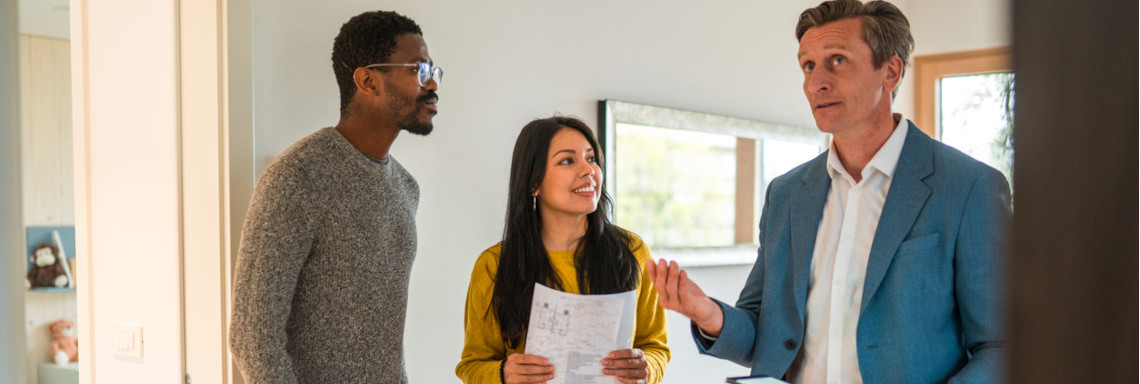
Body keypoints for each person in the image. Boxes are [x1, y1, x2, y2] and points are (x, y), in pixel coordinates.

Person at [647, 1, 1010, 383]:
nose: (816, 81)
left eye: (837, 60)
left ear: (890, 71)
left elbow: (1001, 347)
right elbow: (762, 334)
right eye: (808, 65)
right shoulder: (786, 194)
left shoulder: (969, 188)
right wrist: (707, 312)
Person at [229, 10, 441, 383]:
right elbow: (251, 335)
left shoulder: (406, 189)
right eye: (418, 70)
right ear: (368, 81)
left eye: (434, 72)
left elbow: (382, 342)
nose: (433, 85)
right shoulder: (298, 177)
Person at [456, 117, 670, 384]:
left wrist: (646, 367)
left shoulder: (632, 252)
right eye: (567, 161)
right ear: (533, 183)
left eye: (591, 159)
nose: (588, 170)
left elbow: (656, 346)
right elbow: (473, 365)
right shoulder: (494, 265)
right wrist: (502, 374)